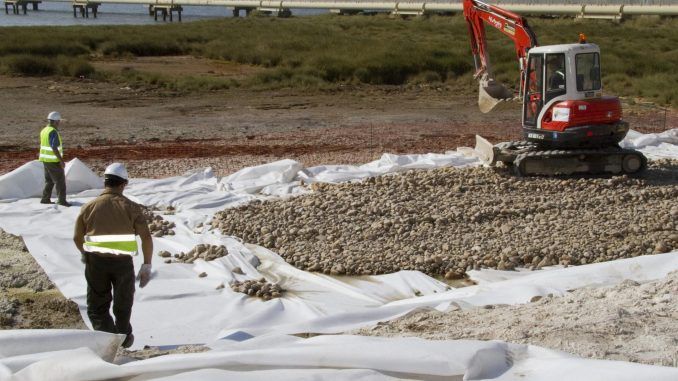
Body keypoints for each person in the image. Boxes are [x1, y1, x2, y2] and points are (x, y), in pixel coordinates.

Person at [73, 163, 153, 348]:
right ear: (123, 184)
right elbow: (146, 238)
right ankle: (124, 337)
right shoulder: (131, 207)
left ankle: (109, 341)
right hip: (123, 264)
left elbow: (77, 237)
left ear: (105, 183)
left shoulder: (89, 207)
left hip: (96, 264)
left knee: (97, 307)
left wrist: (85, 254)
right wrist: (146, 265)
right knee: (123, 303)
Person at [39, 111, 70, 207]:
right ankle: (62, 201)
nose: (59, 123)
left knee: (49, 180)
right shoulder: (53, 131)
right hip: (53, 161)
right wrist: (61, 160)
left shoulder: (44, 130)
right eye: (59, 121)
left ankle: (45, 198)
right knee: (60, 181)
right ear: (56, 121)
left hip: (45, 159)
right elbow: (54, 147)